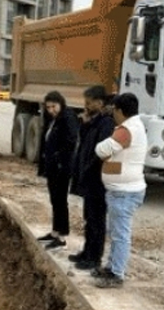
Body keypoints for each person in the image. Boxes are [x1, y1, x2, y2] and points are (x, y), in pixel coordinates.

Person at [93, 92, 147, 288]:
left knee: (120, 234)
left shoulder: (126, 130)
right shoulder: (134, 126)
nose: (112, 114)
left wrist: (106, 154)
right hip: (123, 190)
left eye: (114, 110)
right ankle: (112, 267)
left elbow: (101, 150)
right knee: (117, 232)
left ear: (120, 111)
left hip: (124, 192)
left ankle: (116, 274)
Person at [65, 86, 116, 269]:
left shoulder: (107, 123)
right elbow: (85, 140)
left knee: (96, 220)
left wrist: (87, 168)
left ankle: (94, 258)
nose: (85, 106)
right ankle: (87, 252)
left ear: (99, 103)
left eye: (89, 103)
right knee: (89, 218)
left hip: (97, 180)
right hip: (88, 178)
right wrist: (85, 123)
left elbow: (101, 152)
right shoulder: (94, 121)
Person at [36, 91, 79, 248]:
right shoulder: (52, 119)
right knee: (54, 200)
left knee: (60, 201)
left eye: (53, 106)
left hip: (62, 167)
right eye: (48, 107)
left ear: (61, 104)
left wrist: (59, 159)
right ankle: (55, 231)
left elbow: (71, 141)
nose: (51, 110)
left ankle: (61, 237)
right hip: (53, 167)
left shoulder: (68, 117)